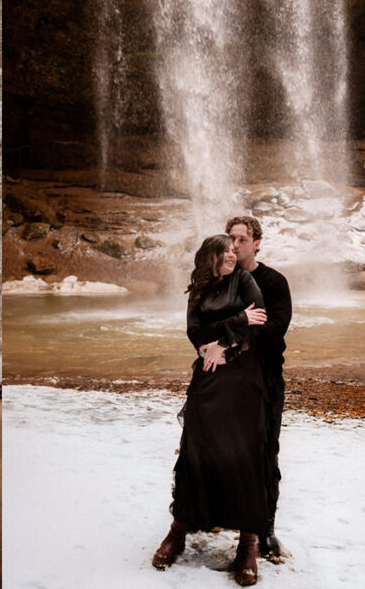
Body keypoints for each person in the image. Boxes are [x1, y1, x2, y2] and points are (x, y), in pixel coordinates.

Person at [152, 234, 269, 586]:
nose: (233, 255)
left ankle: (247, 544)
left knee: (245, 455)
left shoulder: (245, 281)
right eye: (226, 251)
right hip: (207, 375)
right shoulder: (199, 289)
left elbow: (258, 325)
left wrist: (224, 347)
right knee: (196, 450)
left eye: (236, 250)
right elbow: (194, 331)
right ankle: (179, 531)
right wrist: (231, 327)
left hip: (243, 378)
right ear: (210, 256)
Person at [226, 215, 292, 560]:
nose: (234, 245)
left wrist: (230, 334)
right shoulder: (221, 279)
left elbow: (277, 327)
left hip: (264, 378)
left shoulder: (274, 281)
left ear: (256, 243)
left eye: (241, 239)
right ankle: (219, 516)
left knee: (265, 452)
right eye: (230, 238)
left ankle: (264, 529)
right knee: (220, 451)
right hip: (225, 380)